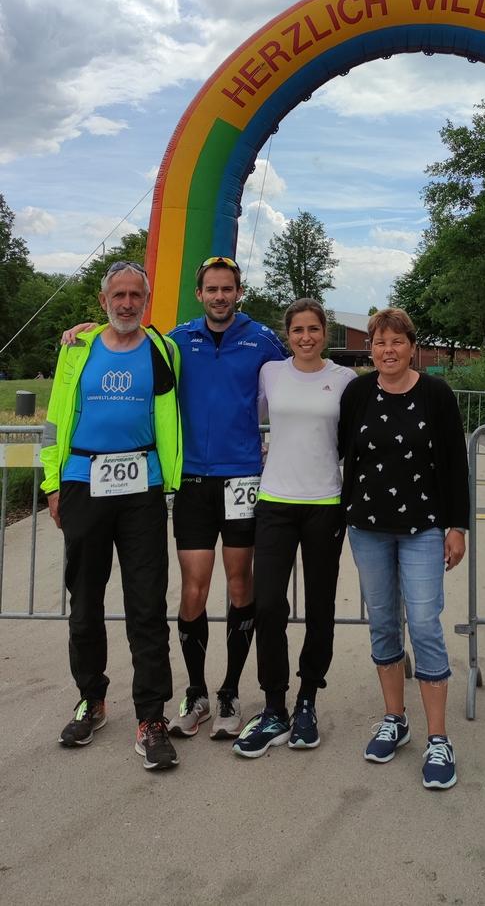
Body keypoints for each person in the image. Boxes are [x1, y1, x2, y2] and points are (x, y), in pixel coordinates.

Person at [62, 256, 288, 741]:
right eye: (212, 288)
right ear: (199, 294)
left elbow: (298, 372)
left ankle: (229, 690)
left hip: (243, 477)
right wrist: (84, 331)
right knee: (193, 589)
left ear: (239, 293)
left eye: (228, 288)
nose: (220, 296)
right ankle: (197, 691)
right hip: (191, 482)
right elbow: (125, 338)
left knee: (240, 584)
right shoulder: (176, 342)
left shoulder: (264, 338)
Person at [42, 260, 182, 770]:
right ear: (103, 301)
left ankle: (151, 716)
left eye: (136, 296)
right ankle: (92, 699)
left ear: (146, 301)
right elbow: (56, 420)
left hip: (142, 487)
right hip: (83, 482)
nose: (127, 304)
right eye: (118, 295)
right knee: (85, 601)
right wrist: (51, 484)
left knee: (146, 605)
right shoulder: (77, 348)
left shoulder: (165, 349)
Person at [338, 308, 469, 790]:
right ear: (369, 349)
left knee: (425, 622)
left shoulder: (436, 395)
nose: (387, 350)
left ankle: (439, 736)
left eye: (396, 341)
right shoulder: (357, 393)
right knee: (384, 622)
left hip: (423, 527)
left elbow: (455, 463)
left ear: (412, 346)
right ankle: (395, 718)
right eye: (379, 342)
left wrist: (457, 526)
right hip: (368, 527)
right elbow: (340, 451)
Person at [233, 299, 356, 758]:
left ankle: (307, 699)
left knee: (321, 606)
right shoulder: (271, 372)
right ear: (287, 334)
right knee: (267, 605)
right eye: (298, 329)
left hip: (324, 503)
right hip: (275, 503)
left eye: (314, 329)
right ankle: (274, 706)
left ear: (326, 332)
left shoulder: (344, 380)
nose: (306, 337)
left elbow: (358, 439)